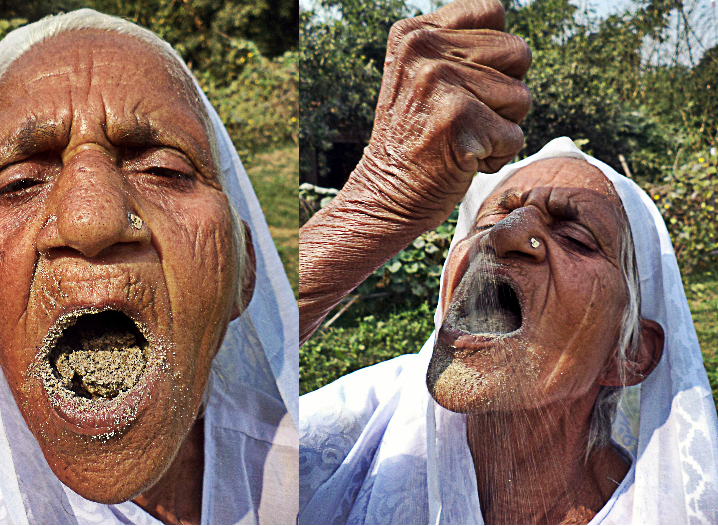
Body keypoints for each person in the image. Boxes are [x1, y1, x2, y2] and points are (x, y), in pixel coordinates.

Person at [298, 1, 718, 523]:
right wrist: (378, 202)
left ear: (628, 353)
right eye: (494, 219)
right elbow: (194, 412)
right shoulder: (353, 433)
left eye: (578, 238)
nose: (509, 235)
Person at [0, 9, 297, 525]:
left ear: (243, 273)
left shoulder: (312, 473)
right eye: (18, 183)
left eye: (164, 169)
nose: (91, 223)